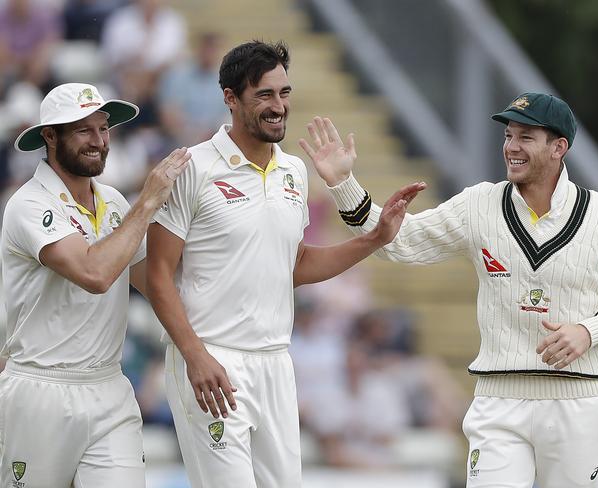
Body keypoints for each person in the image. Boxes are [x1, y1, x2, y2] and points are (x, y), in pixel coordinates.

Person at [300, 94, 598, 488]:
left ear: (559, 147)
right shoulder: (479, 204)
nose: (512, 147)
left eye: (526, 137)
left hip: (578, 401)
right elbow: (402, 241)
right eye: (508, 135)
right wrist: (344, 184)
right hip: (498, 400)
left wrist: (590, 331)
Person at [145, 40, 425, 488]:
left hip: (276, 362)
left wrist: (374, 239)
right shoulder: (191, 168)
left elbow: (294, 264)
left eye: (284, 94)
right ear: (231, 98)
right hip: (211, 360)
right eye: (265, 95)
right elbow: (155, 275)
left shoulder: (294, 170)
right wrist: (194, 357)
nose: (279, 107)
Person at [0, 82, 190, 488]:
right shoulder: (28, 204)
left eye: (103, 129)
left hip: (108, 388)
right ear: (49, 136)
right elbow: (95, 275)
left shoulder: (116, 203)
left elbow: (154, 283)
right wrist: (148, 203)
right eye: (83, 130)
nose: (99, 141)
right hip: (40, 389)